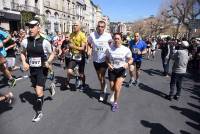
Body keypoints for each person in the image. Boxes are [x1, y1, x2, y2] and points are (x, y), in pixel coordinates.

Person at [21, 20, 55, 122]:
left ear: (38, 28)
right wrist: (24, 62)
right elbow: (22, 53)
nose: (30, 29)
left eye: (32, 27)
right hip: (32, 70)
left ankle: (39, 113)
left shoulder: (45, 42)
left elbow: (52, 53)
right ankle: (49, 88)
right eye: (29, 27)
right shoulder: (25, 41)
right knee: (36, 90)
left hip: (42, 70)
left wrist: (48, 61)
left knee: (39, 91)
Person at [106, 33, 132, 112]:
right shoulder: (109, 49)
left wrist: (127, 64)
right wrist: (109, 64)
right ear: (113, 39)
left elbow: (131, 59)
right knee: (112, 88)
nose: (116, 40)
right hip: (112, 70)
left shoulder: (125, 49)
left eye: (118, 38)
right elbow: (106, 58)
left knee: (117, 88)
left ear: (121, 39)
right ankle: (114, 93)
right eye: (115, 38)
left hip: (121, 70)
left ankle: (115, 103)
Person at [87, 20, 112, 101]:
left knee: (101, 76)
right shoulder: (92, 35)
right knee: (99, 77)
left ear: (104, 28)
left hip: (104, 59)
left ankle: (102, 92)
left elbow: (111, 45)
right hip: (95, 59)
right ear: (97, 26)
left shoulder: (108, 35)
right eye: (99, 26)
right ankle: (103, 86)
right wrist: (89, 50)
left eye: (102, 27)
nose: (100, 28)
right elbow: (89, 43)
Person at [66, 21, 87, 91]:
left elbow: (83, 48)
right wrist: (68, 49)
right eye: (73, 25)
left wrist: (73, 46)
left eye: (76, 25)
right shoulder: (71, 34)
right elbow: (70, 44)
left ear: (80, 27)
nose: (74, 26)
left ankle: (83, 85)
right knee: (69, 71)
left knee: (82, 73)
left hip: (81, 56)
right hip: (74, 56)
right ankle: (76, 77)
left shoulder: (82, 35)